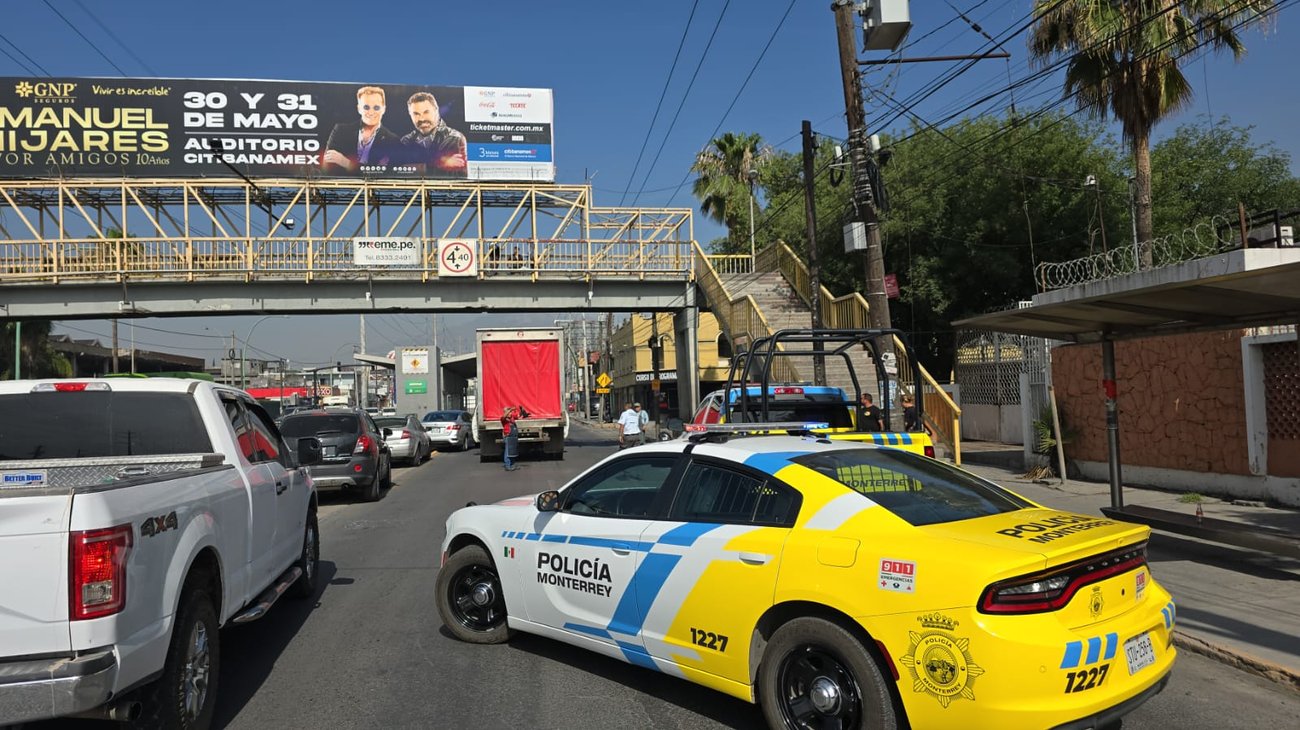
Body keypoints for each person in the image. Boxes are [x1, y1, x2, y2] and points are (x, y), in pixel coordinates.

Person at [322, 86, 402, 174]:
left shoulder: (393, 140)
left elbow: (384, 174)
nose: (371, 112)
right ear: (359, 109)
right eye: (366, 107)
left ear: (384, 109)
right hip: (341, 185)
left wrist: (346, 162)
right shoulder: (340, 131)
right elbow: (328, 167)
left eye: (376, 108)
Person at [399, 91, 468, 178]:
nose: (422, 118)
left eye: (426, 112)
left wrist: (419, 166)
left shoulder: (455, 138)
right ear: (410, 115)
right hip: (412, 191)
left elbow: (456, 174)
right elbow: (400, 169)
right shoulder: (406, 140)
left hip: (446, 191)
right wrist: (441, 163)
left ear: (436, 110)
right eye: (416, 114)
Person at [501, 406, 521, 470]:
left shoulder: (512, 418)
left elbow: (518, 416)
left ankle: (512, 464)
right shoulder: (503, 419)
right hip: (508, 436)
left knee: (513, 451)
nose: (510, 413)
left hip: (513, 436)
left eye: (510, 412)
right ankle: (507, 465)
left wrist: (521, 411)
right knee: (508, 452)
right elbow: (504, 416)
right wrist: (510, 409)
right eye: (509, 412)